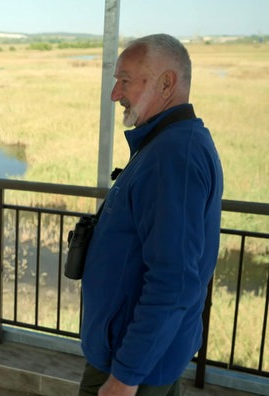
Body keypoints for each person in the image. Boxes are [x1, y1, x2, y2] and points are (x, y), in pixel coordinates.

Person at [78, 34, 224, 396]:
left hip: (133, 365)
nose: (115, 93)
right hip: (130, 353)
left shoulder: (175, 157)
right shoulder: (164, 144)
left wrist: (125, 377)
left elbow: (173, 281)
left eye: (124, 80)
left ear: (166, 83)